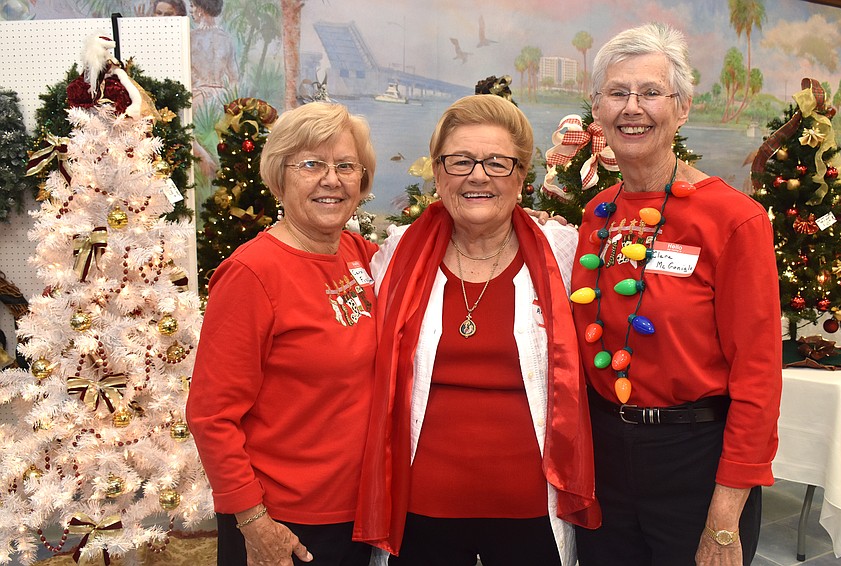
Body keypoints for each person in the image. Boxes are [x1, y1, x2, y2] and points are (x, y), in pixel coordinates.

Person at [353, 94, 600, 565]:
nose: (478, 176)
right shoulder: (397, 254)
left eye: (497, 163)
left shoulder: (562, 253)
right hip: (420, 513)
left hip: (534, 513)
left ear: (521, 176)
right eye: (460, 161)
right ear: (438, 173)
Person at [569, 23, 781, 566]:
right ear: (597, 109)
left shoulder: (734, 219)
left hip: (695, 463)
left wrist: (724, 520)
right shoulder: (597, 215)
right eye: (617, 93)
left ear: (682, 108)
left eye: (650, 92)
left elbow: (758, 377)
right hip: (605, 459)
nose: (631, 108)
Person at [186, 102, 378, 566]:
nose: (331, 180)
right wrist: (254, 521)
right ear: (279, 177)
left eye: (345, 166)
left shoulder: (363, 254)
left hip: (360, 511)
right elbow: (211, 415)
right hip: (284, 522)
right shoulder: (252, 273)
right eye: (311, 164)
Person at [189, 0, 238, 108]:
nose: (190, 11)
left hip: (198, 98)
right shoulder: (226, 38)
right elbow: (234, 78)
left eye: (192, 6)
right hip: (221, 99)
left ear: (200, 9)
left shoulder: (191, 38)